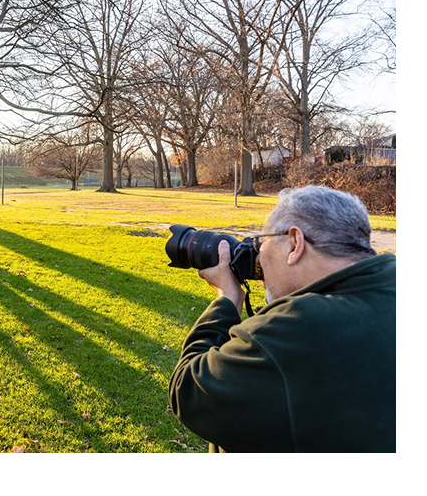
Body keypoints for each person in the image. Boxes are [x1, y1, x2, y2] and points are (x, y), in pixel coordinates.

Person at [168, 185, 396, 452]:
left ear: (294, 244)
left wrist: (226, 300)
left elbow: (189, 390)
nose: (259, 260)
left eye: (260, 244)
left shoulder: (292, 327)